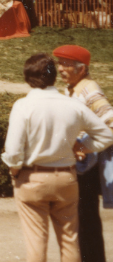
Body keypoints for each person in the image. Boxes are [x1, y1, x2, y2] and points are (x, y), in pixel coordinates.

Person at [3, 53, 113, 262]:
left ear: (27, 78)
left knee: (36, 242)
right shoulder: (73, 105)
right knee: (69, 240)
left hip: (32, 178)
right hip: (66, 178)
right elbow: (107, 134)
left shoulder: (23, 106)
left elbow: (13, 150)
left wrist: (15, 170)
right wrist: (84, 147)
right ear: (53, 77)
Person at [54, 45, 113, 262]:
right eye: (59, 63)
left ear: (82, 68)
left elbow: (111, 123)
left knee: (85, 222)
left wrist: (84, 146)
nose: (60, 69)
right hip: (80, 167)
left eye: (66, 64)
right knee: (82, 223)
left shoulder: (89, 90)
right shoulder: (74, 88)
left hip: (86, 168)